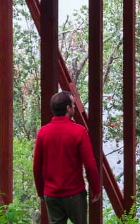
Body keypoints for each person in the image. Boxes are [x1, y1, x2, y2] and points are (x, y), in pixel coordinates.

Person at [32, 91, 102, 224]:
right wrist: (95, 187)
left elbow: (37, 165)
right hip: (74, 194)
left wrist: (41, 191)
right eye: (73, 104)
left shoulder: (43, 133)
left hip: (51, 195)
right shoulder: (78, 131)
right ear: (68, 108)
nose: (74, 107)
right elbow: (89, 164)